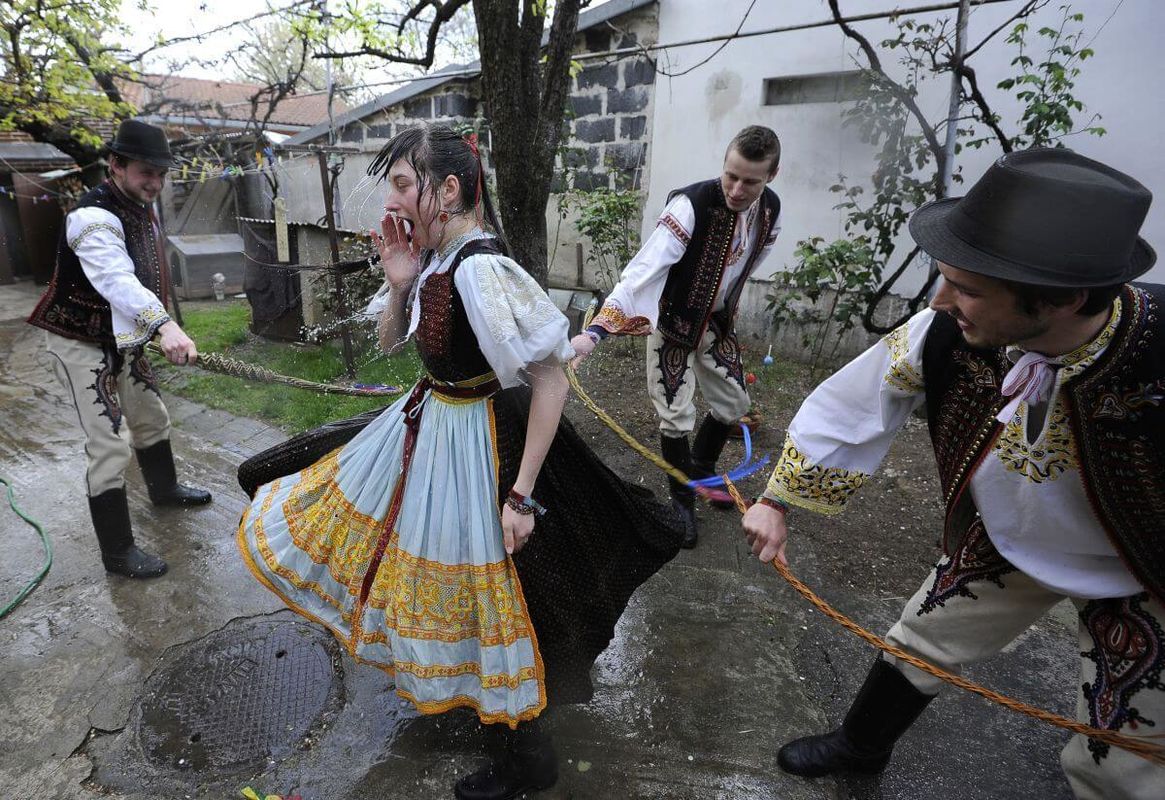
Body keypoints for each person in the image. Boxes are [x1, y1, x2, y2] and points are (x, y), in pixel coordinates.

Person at [235, 125, 685, 800]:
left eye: (403, 184)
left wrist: (522, 495)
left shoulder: (479, 268)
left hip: (481, 444)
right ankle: (486, 712)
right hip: (433, 424)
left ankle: (527, 764)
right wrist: (398, 282)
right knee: (444, 579)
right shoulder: (436, 259)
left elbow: (550, 381)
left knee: (502, 600)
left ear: (448, 190)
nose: (393, 199)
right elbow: (394, 344)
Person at [742, 148, 1164, 799]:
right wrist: (778, 501)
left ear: (1061, 299)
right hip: (1005, 541)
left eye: (965, 287)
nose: (940, 300)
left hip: (1142, 569)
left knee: (1116, 762)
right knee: (921, 634)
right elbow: (854, 404)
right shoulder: (941, 329)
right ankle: (860, 747)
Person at [569, 125, 782, 548]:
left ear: (770, 177)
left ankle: (701, 466)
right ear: (723, 165)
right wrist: (595, 332)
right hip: (674, 326)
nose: (737, 189)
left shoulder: (771, 211)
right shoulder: (690, 206)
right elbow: (641, 272)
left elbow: (748, 262)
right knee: (674, 413)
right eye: (730, 175)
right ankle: (681, 500)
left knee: (734, 403)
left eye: (750, 181)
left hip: (718, 325)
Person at [27, 119, 211, 580]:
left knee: (151, 415)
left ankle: (164, 489)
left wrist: (155, 326)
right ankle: (118, 553)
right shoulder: (90, 217)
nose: (156, 182)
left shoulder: (140, 204)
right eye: (146, 171)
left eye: (161, 173)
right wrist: (164, 325)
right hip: (78, 339)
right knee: (109, 443)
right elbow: (115, 279)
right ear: (115, 165)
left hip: (122, 338)